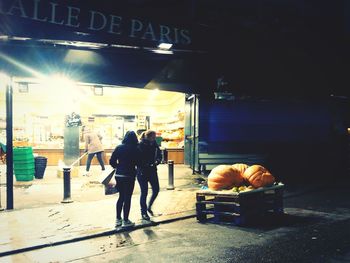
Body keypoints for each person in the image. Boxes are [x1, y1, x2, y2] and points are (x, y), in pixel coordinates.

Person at [110, 131, 140, 228]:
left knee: (121, 197)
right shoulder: (136, 149)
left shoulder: (119, 147)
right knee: (128, 198)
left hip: (119, 175)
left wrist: (118, 166)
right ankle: (126, 220)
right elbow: (139, 163)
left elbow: (112, 161)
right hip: (130, 175)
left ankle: (118, 219)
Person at [137, 130, 162, 221]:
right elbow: (137, 159)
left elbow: (159, 154)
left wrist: (158, 161)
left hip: (152, 170)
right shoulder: (140, 145)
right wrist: (144, 164)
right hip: (142, 171)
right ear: (148, 137)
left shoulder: (154, 144)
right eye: (153, 137)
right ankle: (143, 213)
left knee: (156, 189)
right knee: (144, 192)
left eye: (155, 137)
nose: (155, 139)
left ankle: (149, 206)